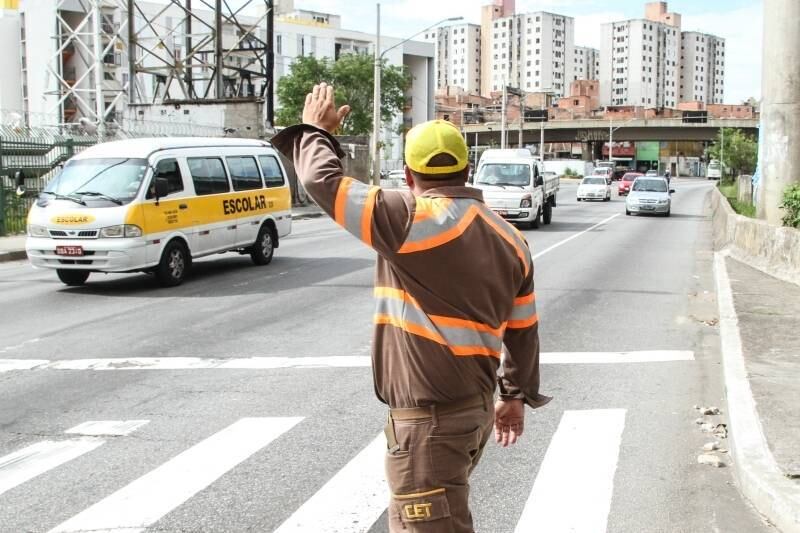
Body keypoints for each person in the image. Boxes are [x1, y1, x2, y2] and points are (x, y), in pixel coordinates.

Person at [272, 83, 550, 533]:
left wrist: (313, 131)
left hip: (429, 424)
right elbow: (523, 330)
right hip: (474, 412)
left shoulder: (405, 218)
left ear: (407, 174)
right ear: (467, 169)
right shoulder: (511, 239)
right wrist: (513, 396)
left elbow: (320, 181)